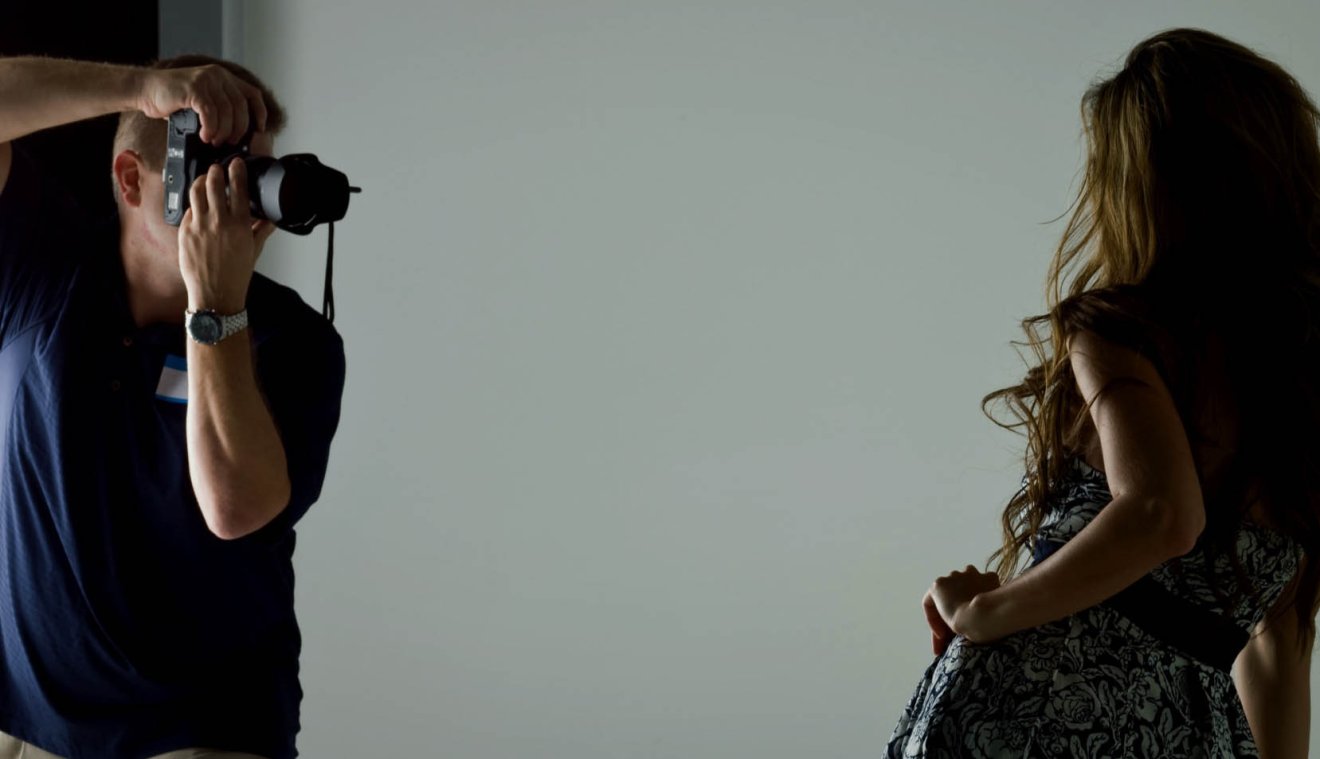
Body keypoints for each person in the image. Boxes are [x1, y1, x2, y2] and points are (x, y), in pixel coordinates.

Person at [886, 27, 1319, 758]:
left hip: (1031, 708)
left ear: (1141, 184)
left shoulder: (1121, 328)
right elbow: (1278, 649)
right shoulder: (1303, 388)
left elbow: (1160, 513)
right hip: (1186, 733)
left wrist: (985, 612)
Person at [0, 54, 346, 758]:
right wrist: (137, 88)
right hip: (28, 727)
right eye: (217, 171)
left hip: (199, 735)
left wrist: (215, 305)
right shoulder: (47, 264)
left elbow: (235, 509)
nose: (239, 200)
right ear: (132, 179)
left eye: (252, 173)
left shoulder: (293, 341)